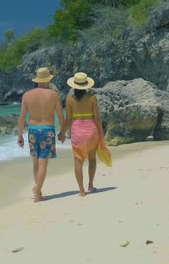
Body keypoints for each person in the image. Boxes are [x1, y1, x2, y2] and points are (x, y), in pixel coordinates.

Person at [17, 67, 65, 203]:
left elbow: (22, 118)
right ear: (48, 79)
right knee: (43, 163)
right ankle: (38, 192)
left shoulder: (27, 95)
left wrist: (19, 135)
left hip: (32, 130)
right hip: (47, 130)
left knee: (36, 163)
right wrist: (62, 132)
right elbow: (61, 116)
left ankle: (38, 190)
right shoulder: (54, 95)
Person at [58, 72, 104, 197]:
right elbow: (97, 118)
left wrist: (62, 133)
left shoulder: (69, 99)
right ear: (86, 85)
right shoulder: (92, 98)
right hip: (91, 131)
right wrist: (101, 131)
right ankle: (90, 184)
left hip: (77, 131)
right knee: (92, 159)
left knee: (78, 161)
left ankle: (81, 190)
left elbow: (68, 119)